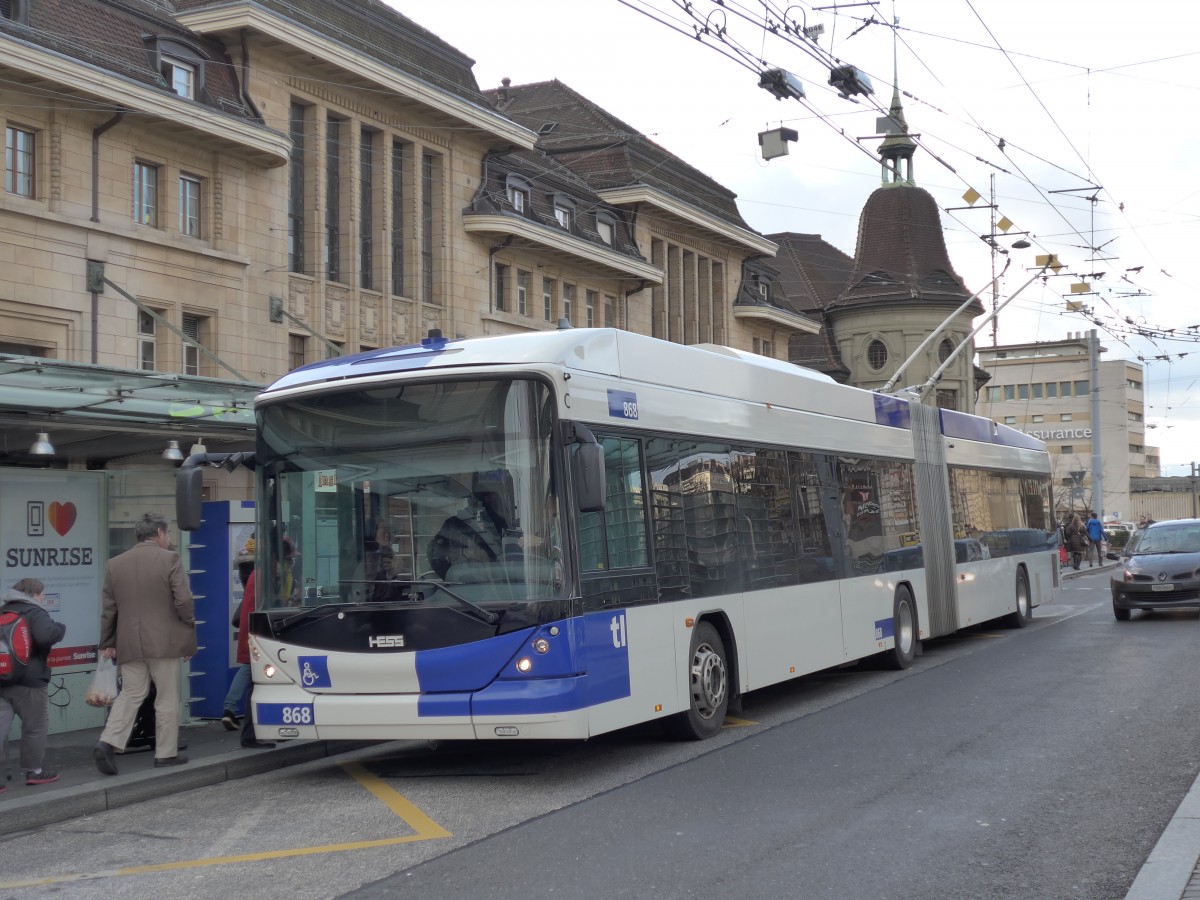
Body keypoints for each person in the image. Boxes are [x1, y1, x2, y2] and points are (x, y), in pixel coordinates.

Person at [94, 512, 197, 774]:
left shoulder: (115, 564)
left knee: (131, 694)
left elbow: (109, 609)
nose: (170, 538)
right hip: (164, 643)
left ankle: (108, 742)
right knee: (166, 697)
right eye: (169, 534)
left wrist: (107, 641)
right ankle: (165, 754)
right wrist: (188, 627)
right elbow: (183, 601)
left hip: (129, 643)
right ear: (160, 533)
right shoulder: (170, 559)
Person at [0, 578, 66, 789]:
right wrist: (60, 628)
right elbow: (46, 635)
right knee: (35, 726)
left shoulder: (2, 611)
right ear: (34, 594)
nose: (43, 598)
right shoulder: (35, 612)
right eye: (41, 594)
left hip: (2, 679)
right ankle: (35, 771)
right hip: (29, 681)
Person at [426, 471, 515, 579]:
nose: (483, 502)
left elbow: (511, 552)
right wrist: (450, 575)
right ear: (470, 499)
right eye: (478, 498)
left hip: (495, 582)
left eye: (486, 497)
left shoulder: (499, 523)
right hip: (463, 586)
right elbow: (435, 552)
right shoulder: (454, 524)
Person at [235, 566, 275, 750]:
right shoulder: (266, 573)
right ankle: (251, 735)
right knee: (256, 686)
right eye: (289, 560)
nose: (289, 564)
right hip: (258, 640)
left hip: (252, 639)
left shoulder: (259, 572)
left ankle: (253, 734)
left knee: (255, 685)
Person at [221, 550, 255, 731]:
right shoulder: (262, 569)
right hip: (256, 626)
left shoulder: (245, 562)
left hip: (247, 621)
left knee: (247, 667)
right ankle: (233, 710)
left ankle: (230, 708)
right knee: (249, 666)